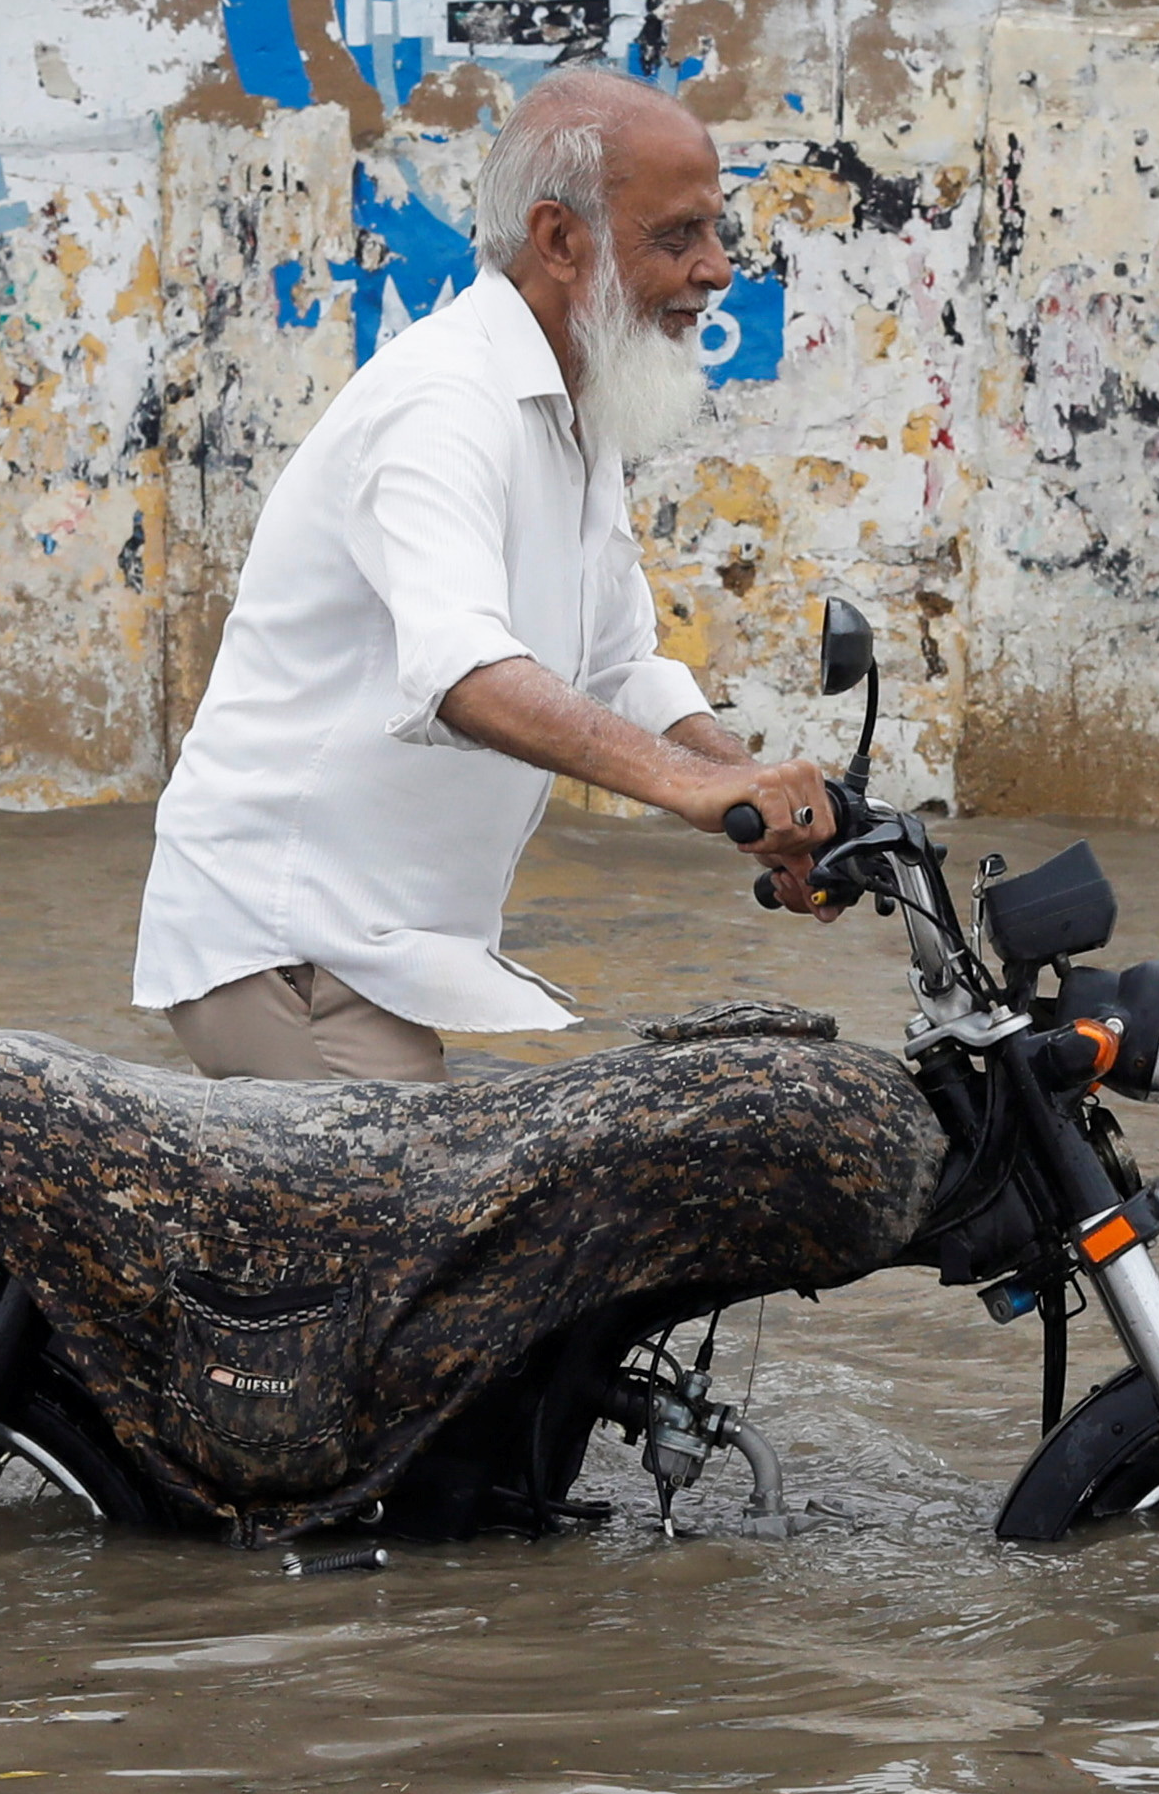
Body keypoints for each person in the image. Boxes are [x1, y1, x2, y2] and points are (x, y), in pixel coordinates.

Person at [129, 67, 837, 1081]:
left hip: (384, 944)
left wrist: (752, 787)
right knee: (397, 1233)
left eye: (715, 233)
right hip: (285, 939)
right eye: (677, 236)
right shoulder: (443, 405)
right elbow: (464, 674)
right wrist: (694, 788)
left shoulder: (576, 403)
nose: (716, 268)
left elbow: (620, 665)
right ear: (559, 240)